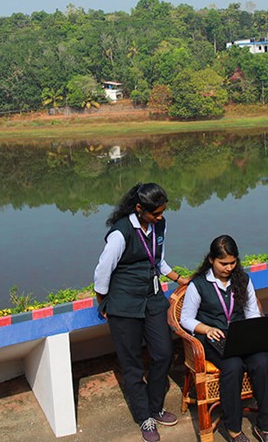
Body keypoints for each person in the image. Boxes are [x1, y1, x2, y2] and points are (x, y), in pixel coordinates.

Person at [93, 182, 187, 442]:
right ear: (138, 208)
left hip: (153, 299)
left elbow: (158, 259)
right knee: (132, 364)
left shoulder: (159, 225)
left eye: (162, 212)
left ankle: (155, 406)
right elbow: (102, 273)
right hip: (124, 305)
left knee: (163, 353)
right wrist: (105, 303)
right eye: (155, 213)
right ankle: (144, 417)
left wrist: (179, 278)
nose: (160, 217)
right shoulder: (121, 233)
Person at [180, 235, 268, 442]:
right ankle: (233, 429)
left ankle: (265, 426)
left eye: (233, 263)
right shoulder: (199, 285)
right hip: (214, 338)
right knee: (232, 366)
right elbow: (185, 319)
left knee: (262, 362)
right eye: (223, 263)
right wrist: (205, 329)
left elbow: (252, 311)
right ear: (211, 260)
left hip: (242, 335)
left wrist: (255, 330)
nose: (229, 268)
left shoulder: (242, 279)